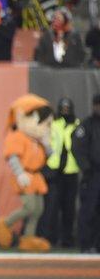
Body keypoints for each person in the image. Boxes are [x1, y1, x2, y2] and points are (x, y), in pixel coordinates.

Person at [0, 94, 53, 252]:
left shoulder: (37, 140)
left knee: (38, 210)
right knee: (29, 207)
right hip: (25, 174)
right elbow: (12, 157)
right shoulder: (17, 136)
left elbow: (49, 156)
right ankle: (4, 224)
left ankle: (28, 238)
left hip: (36, 176)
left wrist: (47, 145)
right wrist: (19, 174)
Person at [37, 98, 79, 248]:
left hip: (71, 171)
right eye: (63, 109)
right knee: (51, 207)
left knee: (69, 208)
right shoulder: (52, 125)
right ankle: (50, 238)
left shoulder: (78, 125)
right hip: (54, 172)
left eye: (67, 109)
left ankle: (67, 239)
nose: (65, 111)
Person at [71, 95, 100, 253]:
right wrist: (87, 168)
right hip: (93, 174)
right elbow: (77, 148)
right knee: (89, 209)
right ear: (94, 106)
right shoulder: (86, 125)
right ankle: (86, 244)